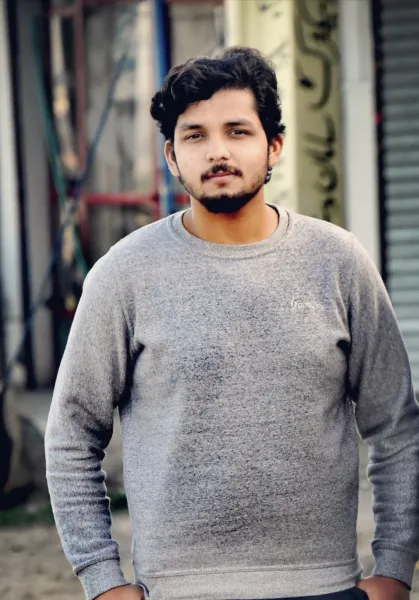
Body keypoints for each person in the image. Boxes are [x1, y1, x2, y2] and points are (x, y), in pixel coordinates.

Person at [45, 47, 419, 600]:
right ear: (172, 156)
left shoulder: (338, 262)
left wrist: (395, 567)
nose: (217, 151)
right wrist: (102, 580)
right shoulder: (123, 275)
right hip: (178, 591)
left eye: (238, 131)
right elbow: (72, 434)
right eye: (195, 136)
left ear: (274, 146)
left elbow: (397, 427)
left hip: (323, 586)